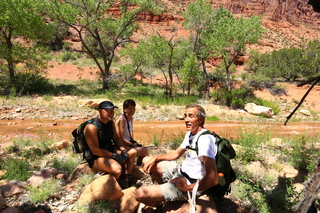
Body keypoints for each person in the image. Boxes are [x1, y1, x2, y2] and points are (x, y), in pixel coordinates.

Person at [135, 104, 219, 208]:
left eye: (191, 116)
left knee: (140, 194)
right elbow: (176, 154)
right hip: (179, 171)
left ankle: (163, 199)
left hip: (191, 182)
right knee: (148, 160)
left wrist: (186, 187)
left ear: (201, 119)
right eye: (185, 115)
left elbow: (213, 178)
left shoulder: (205, 139)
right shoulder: (190, 134)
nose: (186, 119)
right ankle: (163, 195)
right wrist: (155, 158)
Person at [83, 100, 137, 185]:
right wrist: (113, 155)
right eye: (108, 111)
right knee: (117, 169)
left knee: (133, 152)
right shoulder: (91, 127)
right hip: (96, 157)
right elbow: (95, 150)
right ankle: (113, 184)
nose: (111, 113)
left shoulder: (110, 122)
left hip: (110, 151)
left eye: (112, 111)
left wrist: (122, 149)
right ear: (100, 111)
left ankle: (127, 177)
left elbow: (115, 138)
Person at [115, 99, 151, 165]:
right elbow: (121, 138)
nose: (132, 110)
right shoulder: (122, 120)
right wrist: (131, 144)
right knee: (145, 150)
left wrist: (134, 142)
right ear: (124, 109)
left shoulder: (130, 118)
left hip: (128, 143)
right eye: (130, 108)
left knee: (141, 149)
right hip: (121, 146)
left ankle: (139, 166)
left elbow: (130, 134)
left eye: (133, 108)